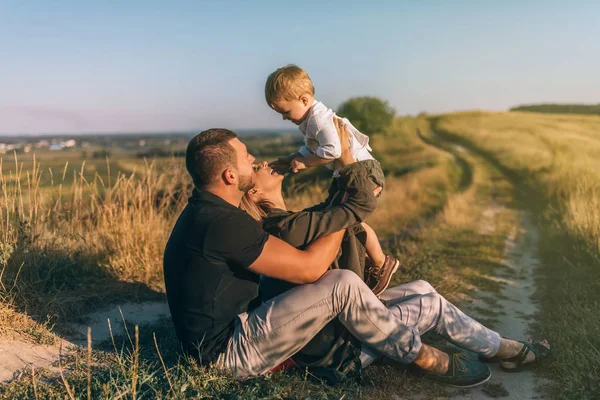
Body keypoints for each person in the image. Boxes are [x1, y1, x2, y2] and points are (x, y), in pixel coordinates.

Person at [163, 123, 550, 389]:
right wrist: (346, 210)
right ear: (230, 176)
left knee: (421, 290)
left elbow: (301, 259)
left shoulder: (211, 214)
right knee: (342, 284)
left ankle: (506, 348)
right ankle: (425, 359)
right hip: (227, 353)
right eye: (246, 158)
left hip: (259, 325)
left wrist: (340, 207)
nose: (254, 161)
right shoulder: (219, 222)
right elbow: (311, 269)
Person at [264, 64, 397, 288]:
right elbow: (313, 148)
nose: (285, 118)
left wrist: (305, 162)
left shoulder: (319, 119)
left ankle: (380, 263)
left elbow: (332, 151)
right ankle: (363, 264)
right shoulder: (309, 121)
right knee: (342, 220)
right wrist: (295, 157)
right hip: (347, 171)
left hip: (360, 170)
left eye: (286, 112)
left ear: (304, 100)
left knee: (350, 218)